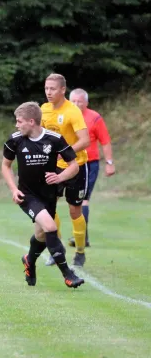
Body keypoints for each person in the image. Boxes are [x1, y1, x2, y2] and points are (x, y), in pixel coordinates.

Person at [2, 101, 85, 289]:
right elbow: (5, 166)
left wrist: (59, 177)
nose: (17, 125)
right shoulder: (15, 140)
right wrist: (14, 190)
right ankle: (68, 274)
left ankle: (29, 260)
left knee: (41, 234)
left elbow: (73, 166)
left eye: (19, 121)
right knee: (50, 226)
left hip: (48, 195)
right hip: (27, 196)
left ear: (32, 121)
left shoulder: (54, 139)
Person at [40, 74, 90, 267]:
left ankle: (80, 251)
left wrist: (65, 152)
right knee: (48, 207)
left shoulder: (73, 111)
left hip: (75, 166)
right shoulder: (43, 110)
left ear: (63, 90)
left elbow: (85, 140)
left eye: (52, 89)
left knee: (74, 211)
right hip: (53, 167)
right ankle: (56, 248)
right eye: (46, 88)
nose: (48, 92)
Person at [67, 88, 115, 248]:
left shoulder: (94, 118)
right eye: (73, 100)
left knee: (83, 199)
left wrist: (109, 162)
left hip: (89, 163)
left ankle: (82, 238)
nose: (76, 104)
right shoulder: (65, 115)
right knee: (71, 201)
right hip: (68, 162)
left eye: (79, 101)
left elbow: (105, 141)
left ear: (86, 102)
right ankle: (76, 235)